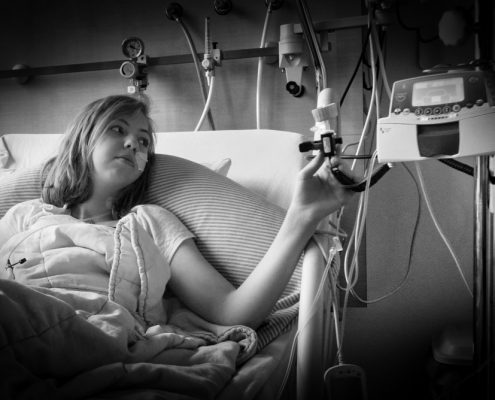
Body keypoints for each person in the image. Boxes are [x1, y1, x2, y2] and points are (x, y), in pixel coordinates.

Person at [0, 94, 353, 330]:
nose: (132, 144)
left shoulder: (149, 224)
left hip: (88, 335)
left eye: (143, 142)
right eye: (117, 129)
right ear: (82, 140)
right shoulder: (25, 215)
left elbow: (232, 312)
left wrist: (301, 217)